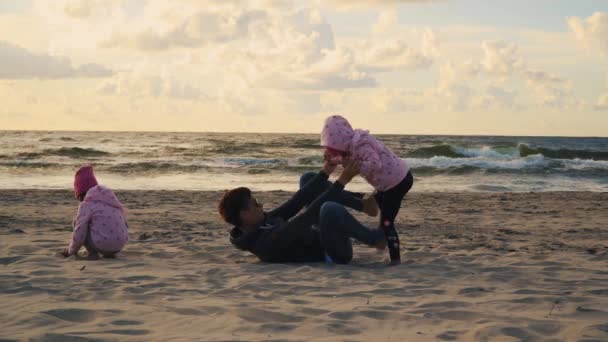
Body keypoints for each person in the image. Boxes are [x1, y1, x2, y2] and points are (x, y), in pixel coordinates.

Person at [218, 158, 386, 264]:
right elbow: (307, 217)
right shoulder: (266, 242)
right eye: (255, 204)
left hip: (320, 234)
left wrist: (326, 170)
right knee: (329, 208)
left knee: (308, 179)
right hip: (332, 252)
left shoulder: (261, 223)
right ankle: (374, 240)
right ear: (244, 215)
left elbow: (294, 203)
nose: (261, 206)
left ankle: (364, 205)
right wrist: (343, 179)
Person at [321, 115, 413, 264]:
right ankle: (370, 205)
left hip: (397, 182)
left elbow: (375, 164)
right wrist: (332, 161)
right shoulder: (349, 147)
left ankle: (395, 259)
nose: (339, 154)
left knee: (387, 223)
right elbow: (346, 160)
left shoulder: (361, 144)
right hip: (385, 184)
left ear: (341, 140)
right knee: (382, 209)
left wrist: (356, 168)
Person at [61, 165, 129, 258]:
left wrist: (71, 251)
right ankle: (110, 253)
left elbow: (79, 230)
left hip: (101, 245)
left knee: (78, 222)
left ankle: (92, 253)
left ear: (81, 194)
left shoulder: (87, 204)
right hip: (119, 245)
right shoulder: (110, 199)